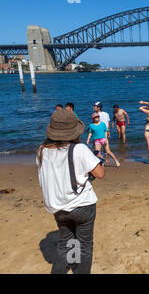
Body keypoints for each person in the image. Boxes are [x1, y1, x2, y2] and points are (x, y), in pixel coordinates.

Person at [36, 109, 105, 274]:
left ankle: (68, 265)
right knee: (85, 245)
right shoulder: (79, 149)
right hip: (82, 205)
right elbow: (100, 174)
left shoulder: (42, 150)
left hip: (58, 206)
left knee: (65, 243)